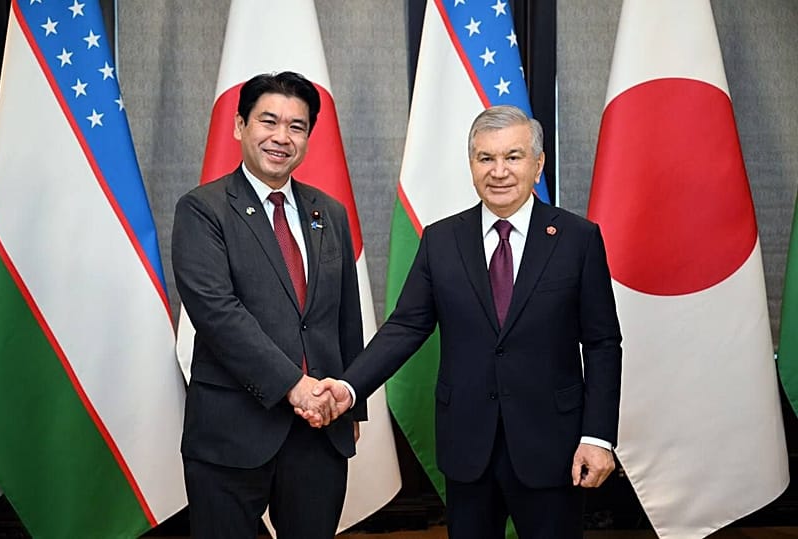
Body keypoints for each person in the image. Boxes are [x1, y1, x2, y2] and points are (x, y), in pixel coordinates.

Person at [304, 105, 622, 538]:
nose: (499, 171)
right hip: (468, 445)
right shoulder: (441, 240)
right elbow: (405, 327)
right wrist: (348, 386)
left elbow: (603, 344)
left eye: (513, 156)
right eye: (485, 158)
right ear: (471, 164)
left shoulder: (577, 239)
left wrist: (598, 437)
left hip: (553, 445)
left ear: (538, 164)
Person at [172, 71, 365, 539]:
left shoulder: (330, 212)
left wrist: (352, 405)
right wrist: (294, 386)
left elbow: (345, 316)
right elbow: (218, 315)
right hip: (232, 430)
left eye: (297, 126)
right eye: (269, 121)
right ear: (240, 126)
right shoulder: (203, 209)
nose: (282, 137)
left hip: (319, 430)